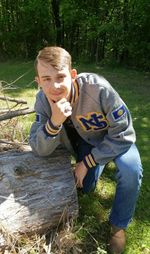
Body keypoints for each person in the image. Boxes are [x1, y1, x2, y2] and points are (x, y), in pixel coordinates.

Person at [29, 46, 143, 254]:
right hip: (88, 143)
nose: (54, 86)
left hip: (115, 139)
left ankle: (118, 227)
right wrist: (54, 123)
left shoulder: (99, 89)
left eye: (60, 77)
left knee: (130, 170)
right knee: (86, 187)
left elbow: (124, 133)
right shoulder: (42, 101)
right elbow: (39, 149)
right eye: (46, 79)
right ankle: (96, 166)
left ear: (73, 75)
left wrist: (87, 162)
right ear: (38, 81)